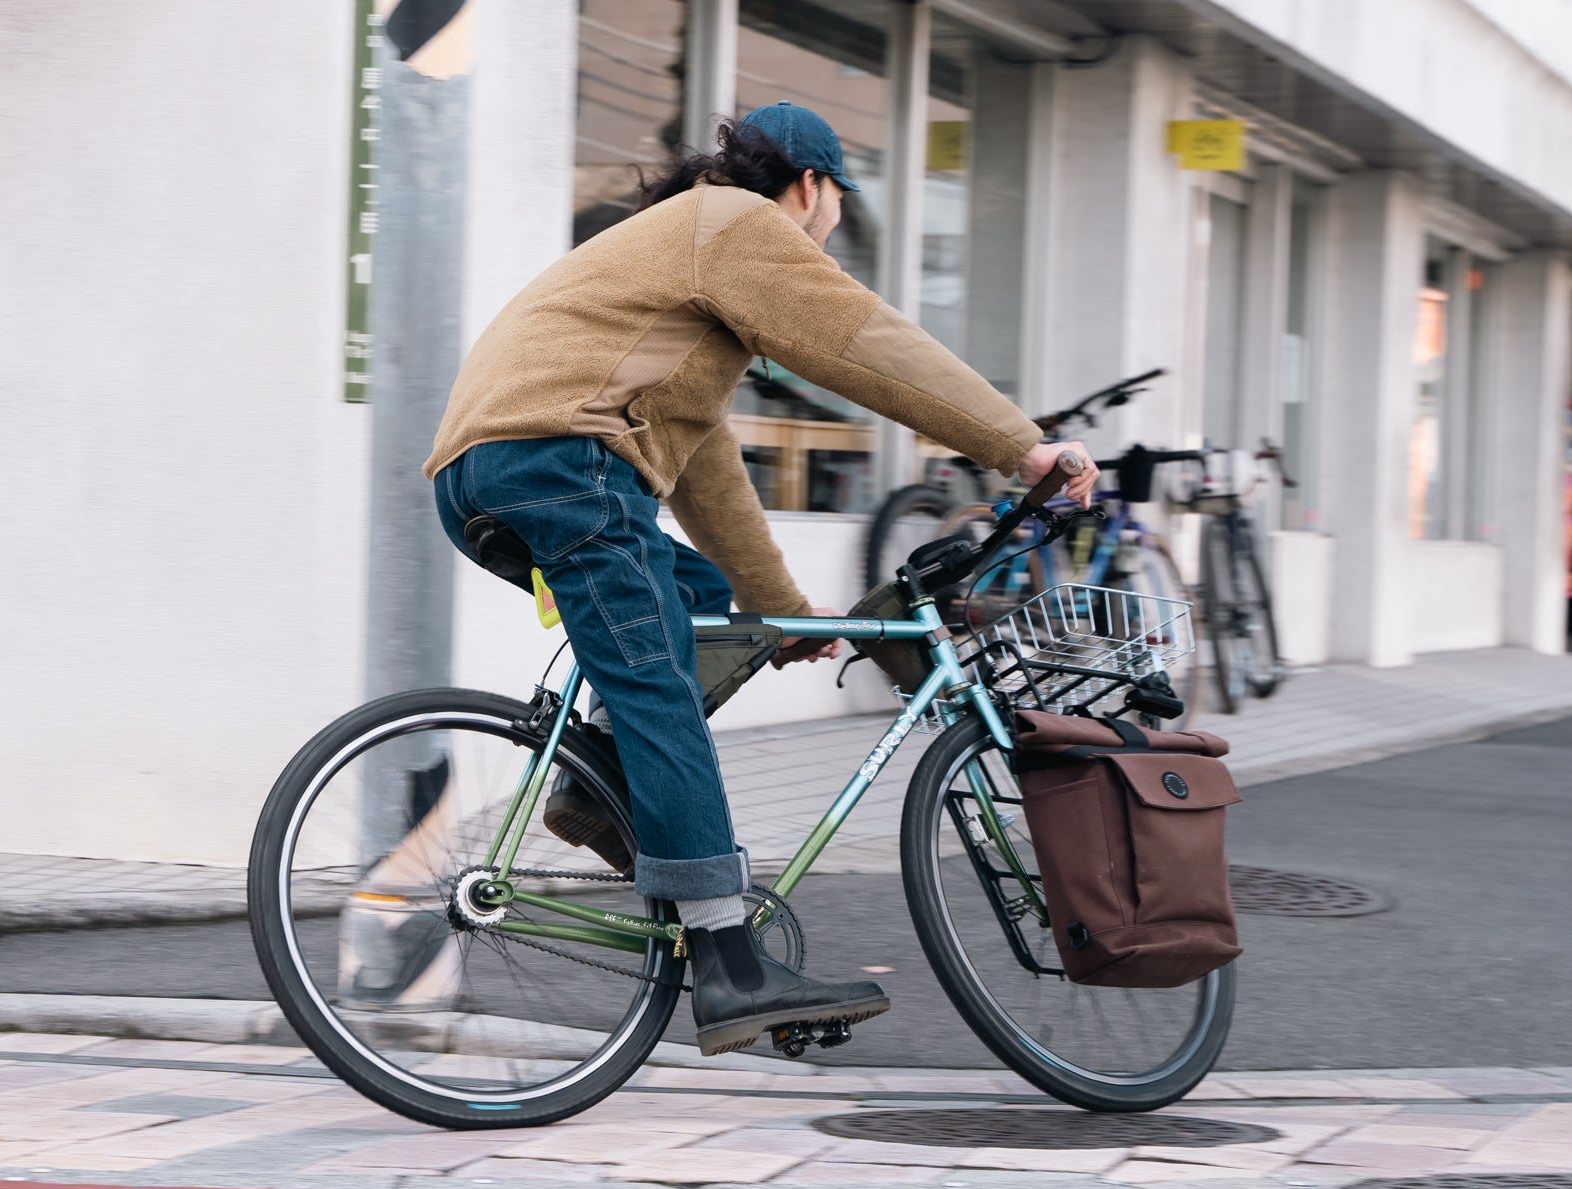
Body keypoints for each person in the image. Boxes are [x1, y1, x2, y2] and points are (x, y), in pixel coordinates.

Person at [425, 101, 1097, 1055]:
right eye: (831, 207)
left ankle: (601, 783)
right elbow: (862, 341)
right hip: (560, 464)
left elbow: (704, 469)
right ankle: (728, 957)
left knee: (691, 604)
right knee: (658, 683)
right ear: (813, 187)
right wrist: (1019, 446)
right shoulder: (737, 225)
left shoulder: (679, 252)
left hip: (489, 475)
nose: (826, 230)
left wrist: (777, 611)